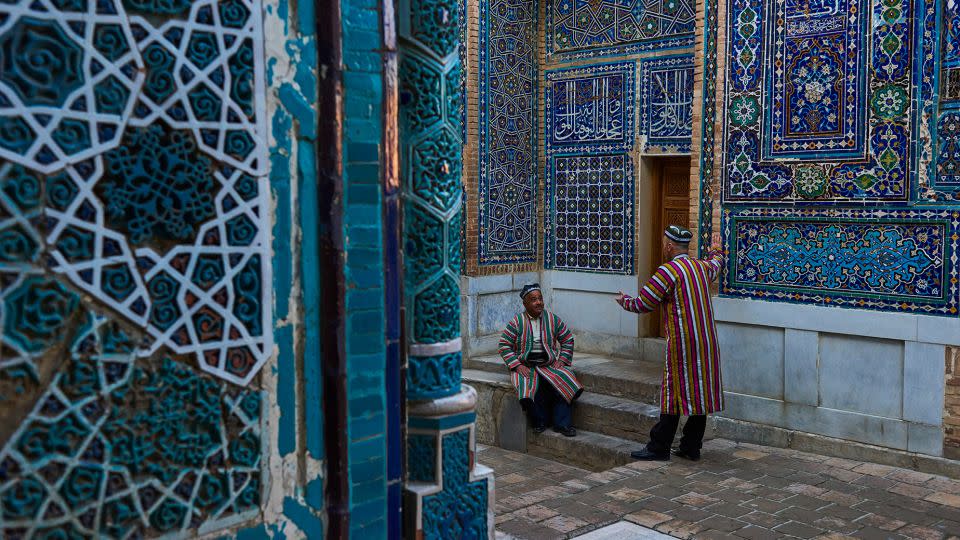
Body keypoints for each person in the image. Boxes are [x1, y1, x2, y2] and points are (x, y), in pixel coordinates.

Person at [615, 225, 724, 461]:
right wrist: (717, 250)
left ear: (668, 246)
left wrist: (625, 302)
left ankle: (659, 447)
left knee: (673, 392)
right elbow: (717, 264)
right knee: (700, 391)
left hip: (683, 344)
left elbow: (644, 303)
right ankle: (690, 446)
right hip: (707, 342)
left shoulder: (668, 272)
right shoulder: (701, 267)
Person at [498, 284, 582, 437]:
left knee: (565, 379)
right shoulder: (517, 322)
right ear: (525, 304)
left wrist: (562, 360)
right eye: (533, 300)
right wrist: (516, 366)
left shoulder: (552, 319)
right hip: (526, 366)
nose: (539, 302)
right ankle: (539, 422)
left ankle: (562, 424)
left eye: (540, 299)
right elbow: (504, 345)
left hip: (548, 365)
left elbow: (567, 338)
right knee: (528, 388)